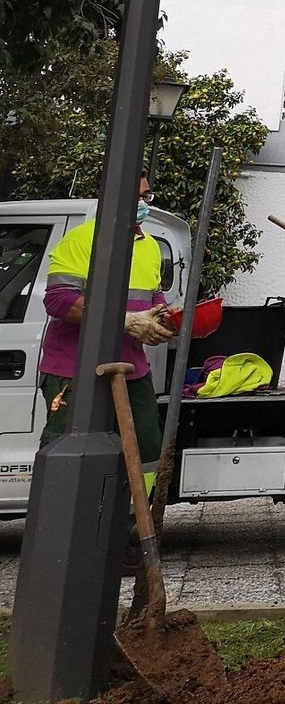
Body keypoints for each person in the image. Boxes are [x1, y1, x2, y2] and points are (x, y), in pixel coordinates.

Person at [40, 176, 176, 499]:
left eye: (146, 196)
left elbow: (153, 297)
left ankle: (133, 522)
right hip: (76, 370)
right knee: (69, 449)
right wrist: (126, 321)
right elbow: (58, 300)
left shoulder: (150, 246)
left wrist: (161, 319)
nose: (142, 203)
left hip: (132, 370)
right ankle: (61, 521)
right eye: (135, 195)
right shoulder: (82, 239)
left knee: (147, 451)